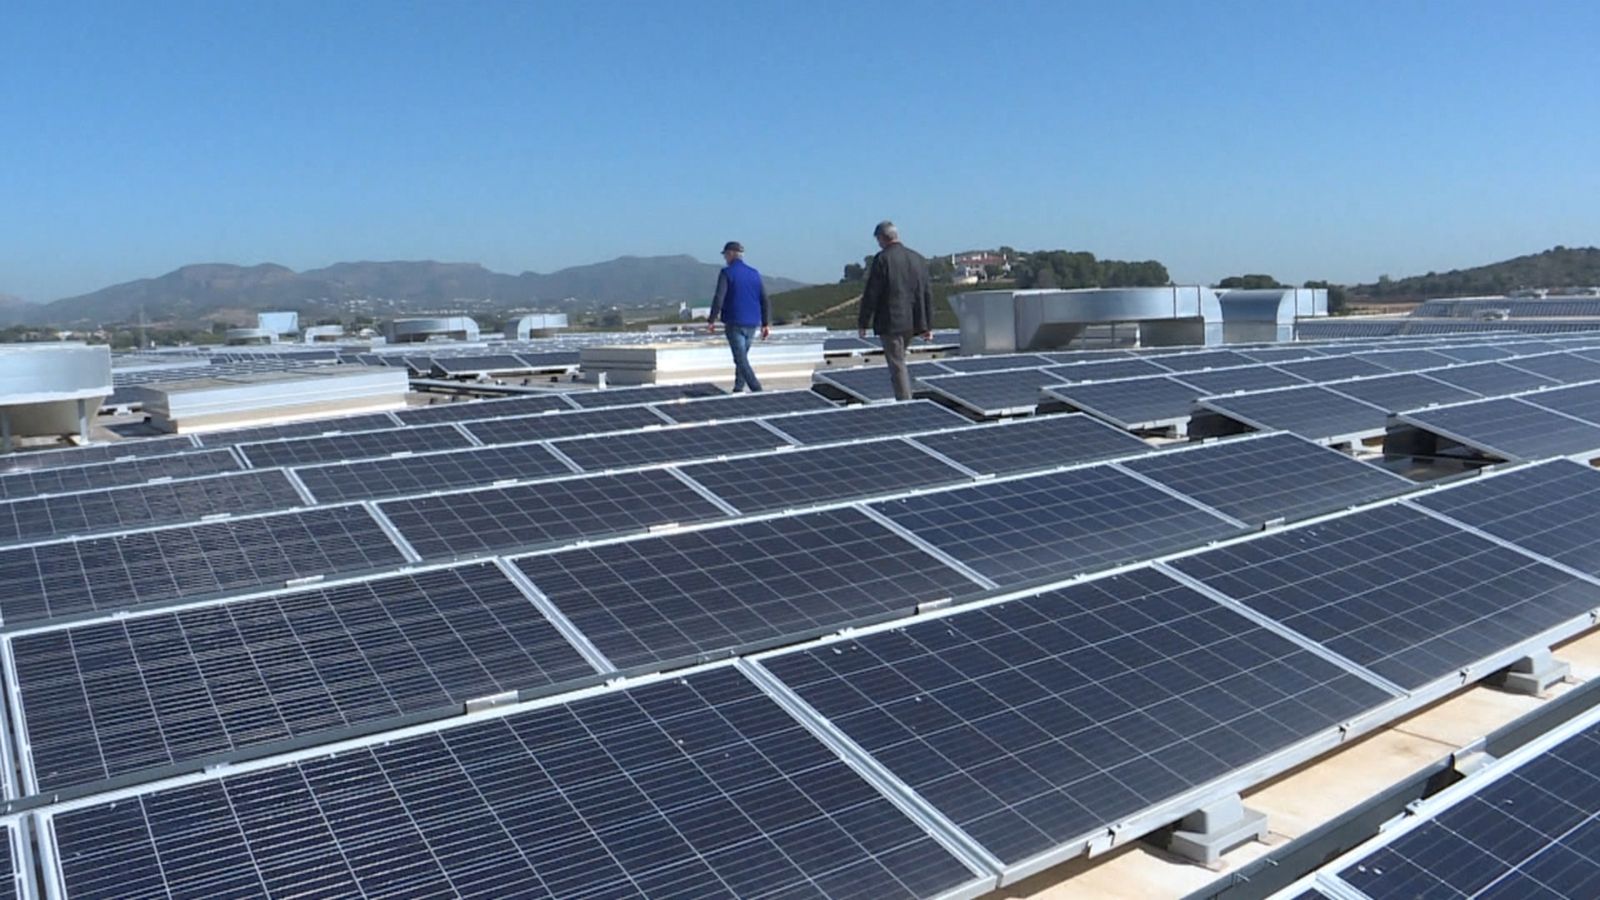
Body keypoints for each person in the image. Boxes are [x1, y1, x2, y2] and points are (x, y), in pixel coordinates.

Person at [858, 220, 933, 401]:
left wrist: (863, 323)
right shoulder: (917, 258)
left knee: (897, 364)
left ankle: (905, 402)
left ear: (882, 238)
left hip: (891, 322)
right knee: (900, 361)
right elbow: (927, 293)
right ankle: (905, 397)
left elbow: (872, 293)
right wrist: (927, 325)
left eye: (878, 239)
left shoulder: (882, 259)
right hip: (913, 321)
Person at [706, 240, 770, 392]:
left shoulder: (727, 273)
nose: (725, 259)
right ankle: (738, 388)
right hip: (753, 322)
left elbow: (719, 297)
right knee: (743, 358)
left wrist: (711, 320)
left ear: (730, 255)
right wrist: (765, 323)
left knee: (740, 359)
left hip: (735, 322)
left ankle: (757, 389)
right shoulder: (754, 274)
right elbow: (765, 299)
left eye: (725, 256)